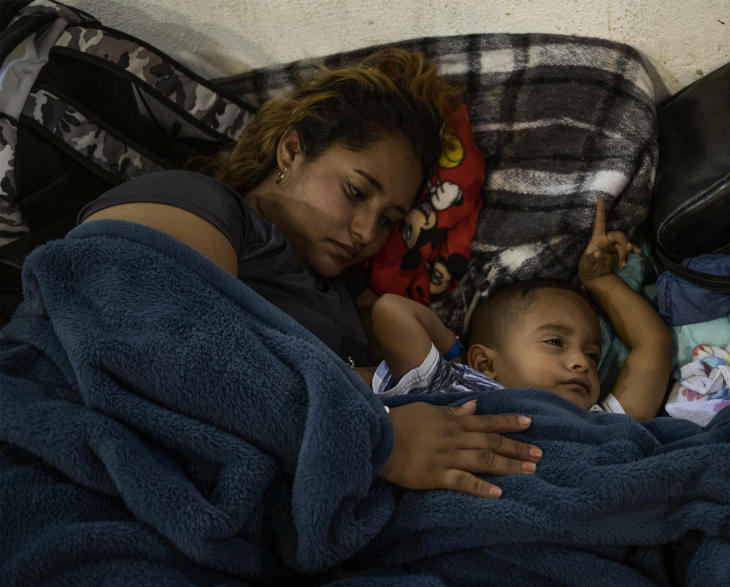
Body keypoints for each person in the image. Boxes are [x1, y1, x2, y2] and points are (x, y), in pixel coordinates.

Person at [75, 48, 539, 499]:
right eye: (356, 191)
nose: (365, 232)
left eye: (388, 220)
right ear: (292, 150)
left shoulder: (349, 296)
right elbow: (152, 337)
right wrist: (373, 436)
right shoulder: (199, 202)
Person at [370, 200, 673, 421]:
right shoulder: (458, 393)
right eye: (555, 342)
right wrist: (458, 358)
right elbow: (391, 311)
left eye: (593, 355)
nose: (582, 362)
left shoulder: (599, 421)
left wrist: (599, 280)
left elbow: (654, 345)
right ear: (486, 363)